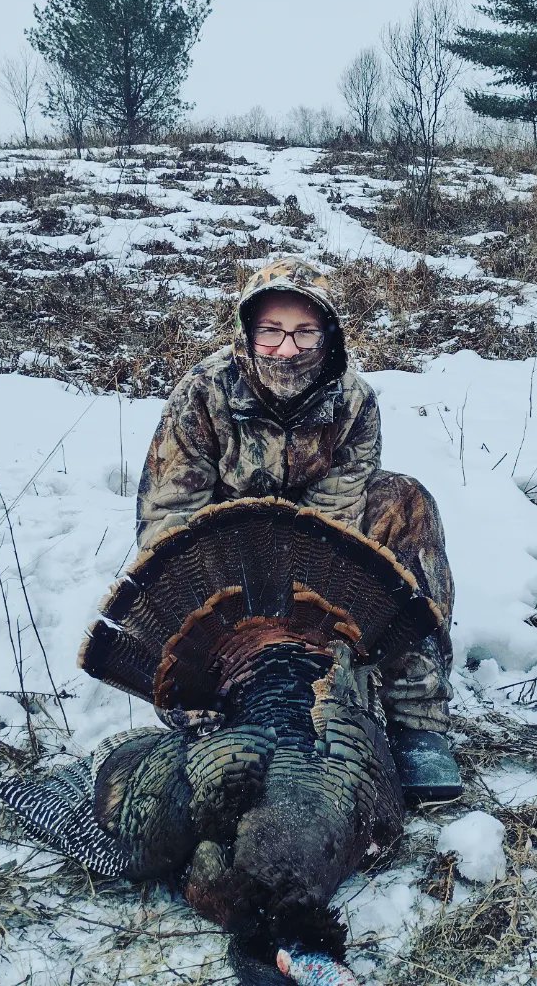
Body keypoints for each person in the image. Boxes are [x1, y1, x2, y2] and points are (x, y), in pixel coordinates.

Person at [136, 256, 460, 800]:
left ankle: (417, 720)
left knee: (407, 501)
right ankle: (216, 698)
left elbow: (337, 517)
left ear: (328, 336)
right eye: (272, 332)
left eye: (305, 332)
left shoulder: (354, 401)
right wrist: (213, 633)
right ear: (247, 333)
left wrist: (311, 621)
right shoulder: (201, 395)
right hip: (222, 559)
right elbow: (169, 520)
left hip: (312, 551)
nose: (287, 349)